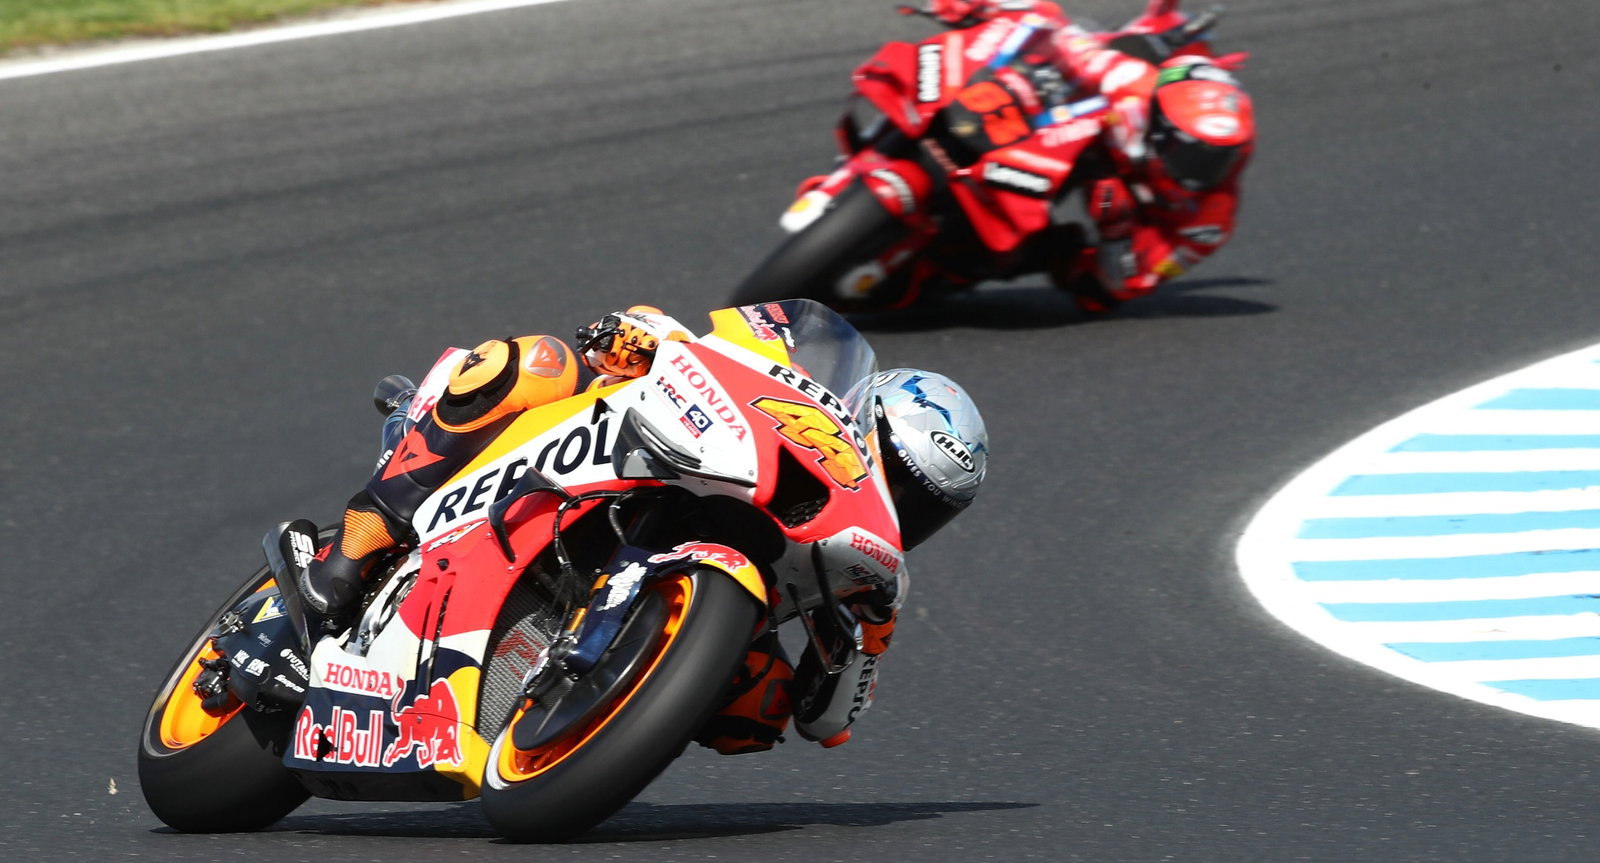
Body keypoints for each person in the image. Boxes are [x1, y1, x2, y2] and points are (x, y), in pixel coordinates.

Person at [300, 305, 989, 752]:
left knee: (759, 708)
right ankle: (356, 543)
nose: (900, 505)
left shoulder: (873, 586)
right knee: (536, 362)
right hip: (597, 466)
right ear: (862, 422)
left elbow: (829, 719)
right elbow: (692, 337)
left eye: (924, 505)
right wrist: (637, 338)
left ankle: (585, 709)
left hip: (712, 587)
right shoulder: (798, 403)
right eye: (895, 474)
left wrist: (843, 655)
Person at [929, 0, 1255, 312]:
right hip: (1069, 141)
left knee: (1086, 287)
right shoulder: (1133, 84)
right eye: (1189, 151)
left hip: (1116, 220)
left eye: (1218, 159)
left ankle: (959, 262)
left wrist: (1116, 230)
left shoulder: (1208, 223)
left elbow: (1127, 281)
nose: (1202, 169)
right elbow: (1071, 40)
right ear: (1160, 124)